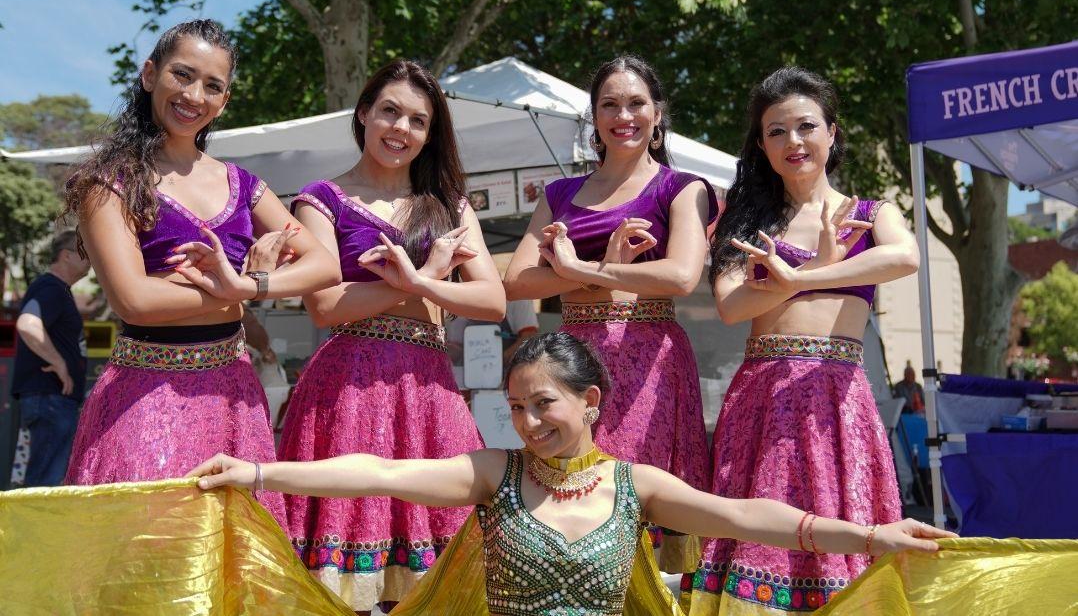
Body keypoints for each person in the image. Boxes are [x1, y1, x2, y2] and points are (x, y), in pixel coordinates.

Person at [189, 332, 954, 616]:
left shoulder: (635, 485)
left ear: (590, 401)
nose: (527, 422)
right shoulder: (494, 474)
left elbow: (749, 515)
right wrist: (261, 470)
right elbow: (381, 471)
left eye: (543, 403)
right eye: (516, 406)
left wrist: (872, 531)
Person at [60, 19, 340, 524]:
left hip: (233, 397)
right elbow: (135, 300)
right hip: (143, 400)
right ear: (150, 75)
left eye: (212, 86)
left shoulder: (243, 183)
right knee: (150, 561)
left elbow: (324, 263)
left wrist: (248, 285)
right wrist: (234, 292)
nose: (194, 95)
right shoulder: (109, 184)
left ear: (225, 101)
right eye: (182, 75)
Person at [688, 66, 920, 613]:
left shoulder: (868, 215)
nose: (793, 142)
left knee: (848, 535)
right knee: (759, 535)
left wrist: (806, 275)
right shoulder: (744, 222)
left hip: (837, 400)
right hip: (763, 398)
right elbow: (730, 305)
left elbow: (906, 257)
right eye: (776, 131)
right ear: (761, 145)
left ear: (832, 132)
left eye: (805, 126)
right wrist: (799, 274)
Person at [278, 60, 505, 612]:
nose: (401, 129)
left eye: (418, 121)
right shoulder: (320, 199)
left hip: (428, 389)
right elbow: (326, 306)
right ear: (363, 113)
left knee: (437, 573)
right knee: (342, 571)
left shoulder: (449, 203)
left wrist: (417, 284)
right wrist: (422, 282)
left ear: (431, 134)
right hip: (346, 389)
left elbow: (492, 301)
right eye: (390, 112)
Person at [503, 55, 718, 571]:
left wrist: (587, 271)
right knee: (573, 492)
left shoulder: (681, 188)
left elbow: (681, 276)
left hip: (650, 360)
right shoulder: (560, 193)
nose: (625, 115)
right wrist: (602, 268)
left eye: (637, 102)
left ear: (658, 112)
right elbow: (518, 280)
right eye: (610, 104)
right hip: (573, 359)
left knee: (643, 494)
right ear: (594, 117)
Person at [11, 229, 91, 486]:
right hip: (50, 400)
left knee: (47, 480)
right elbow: (27, 324)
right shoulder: (50, 287)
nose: (91, 258)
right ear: (66, 256)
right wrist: (59, 364)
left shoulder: (56, 290)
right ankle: (32, 527)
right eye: (84, 252)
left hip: (54, 402)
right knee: (45, 483)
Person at [445, 299, 540, 370]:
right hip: (468, 378)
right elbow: (457, 348)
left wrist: (498, 360)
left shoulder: (517, 299)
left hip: (506, 380)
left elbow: (529, 337)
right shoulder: (459, 302)